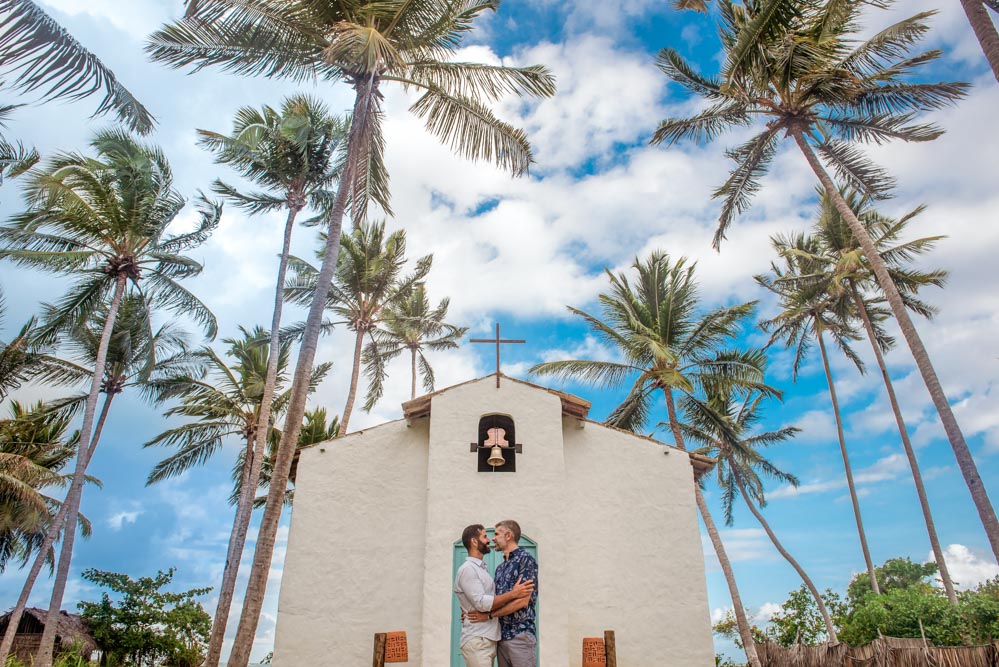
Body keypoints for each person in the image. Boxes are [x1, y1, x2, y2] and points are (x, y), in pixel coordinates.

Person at [454, 524, 534, 667]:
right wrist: (467, 609)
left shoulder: (525, 559)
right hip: (493, 638)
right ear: (474, 542)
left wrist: (489, 615)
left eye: (496, 534)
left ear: (508, 536)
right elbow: (483, 602)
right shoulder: (498, 569)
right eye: (485, 536)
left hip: (519, 635)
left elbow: (523, 601)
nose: (491, 539)